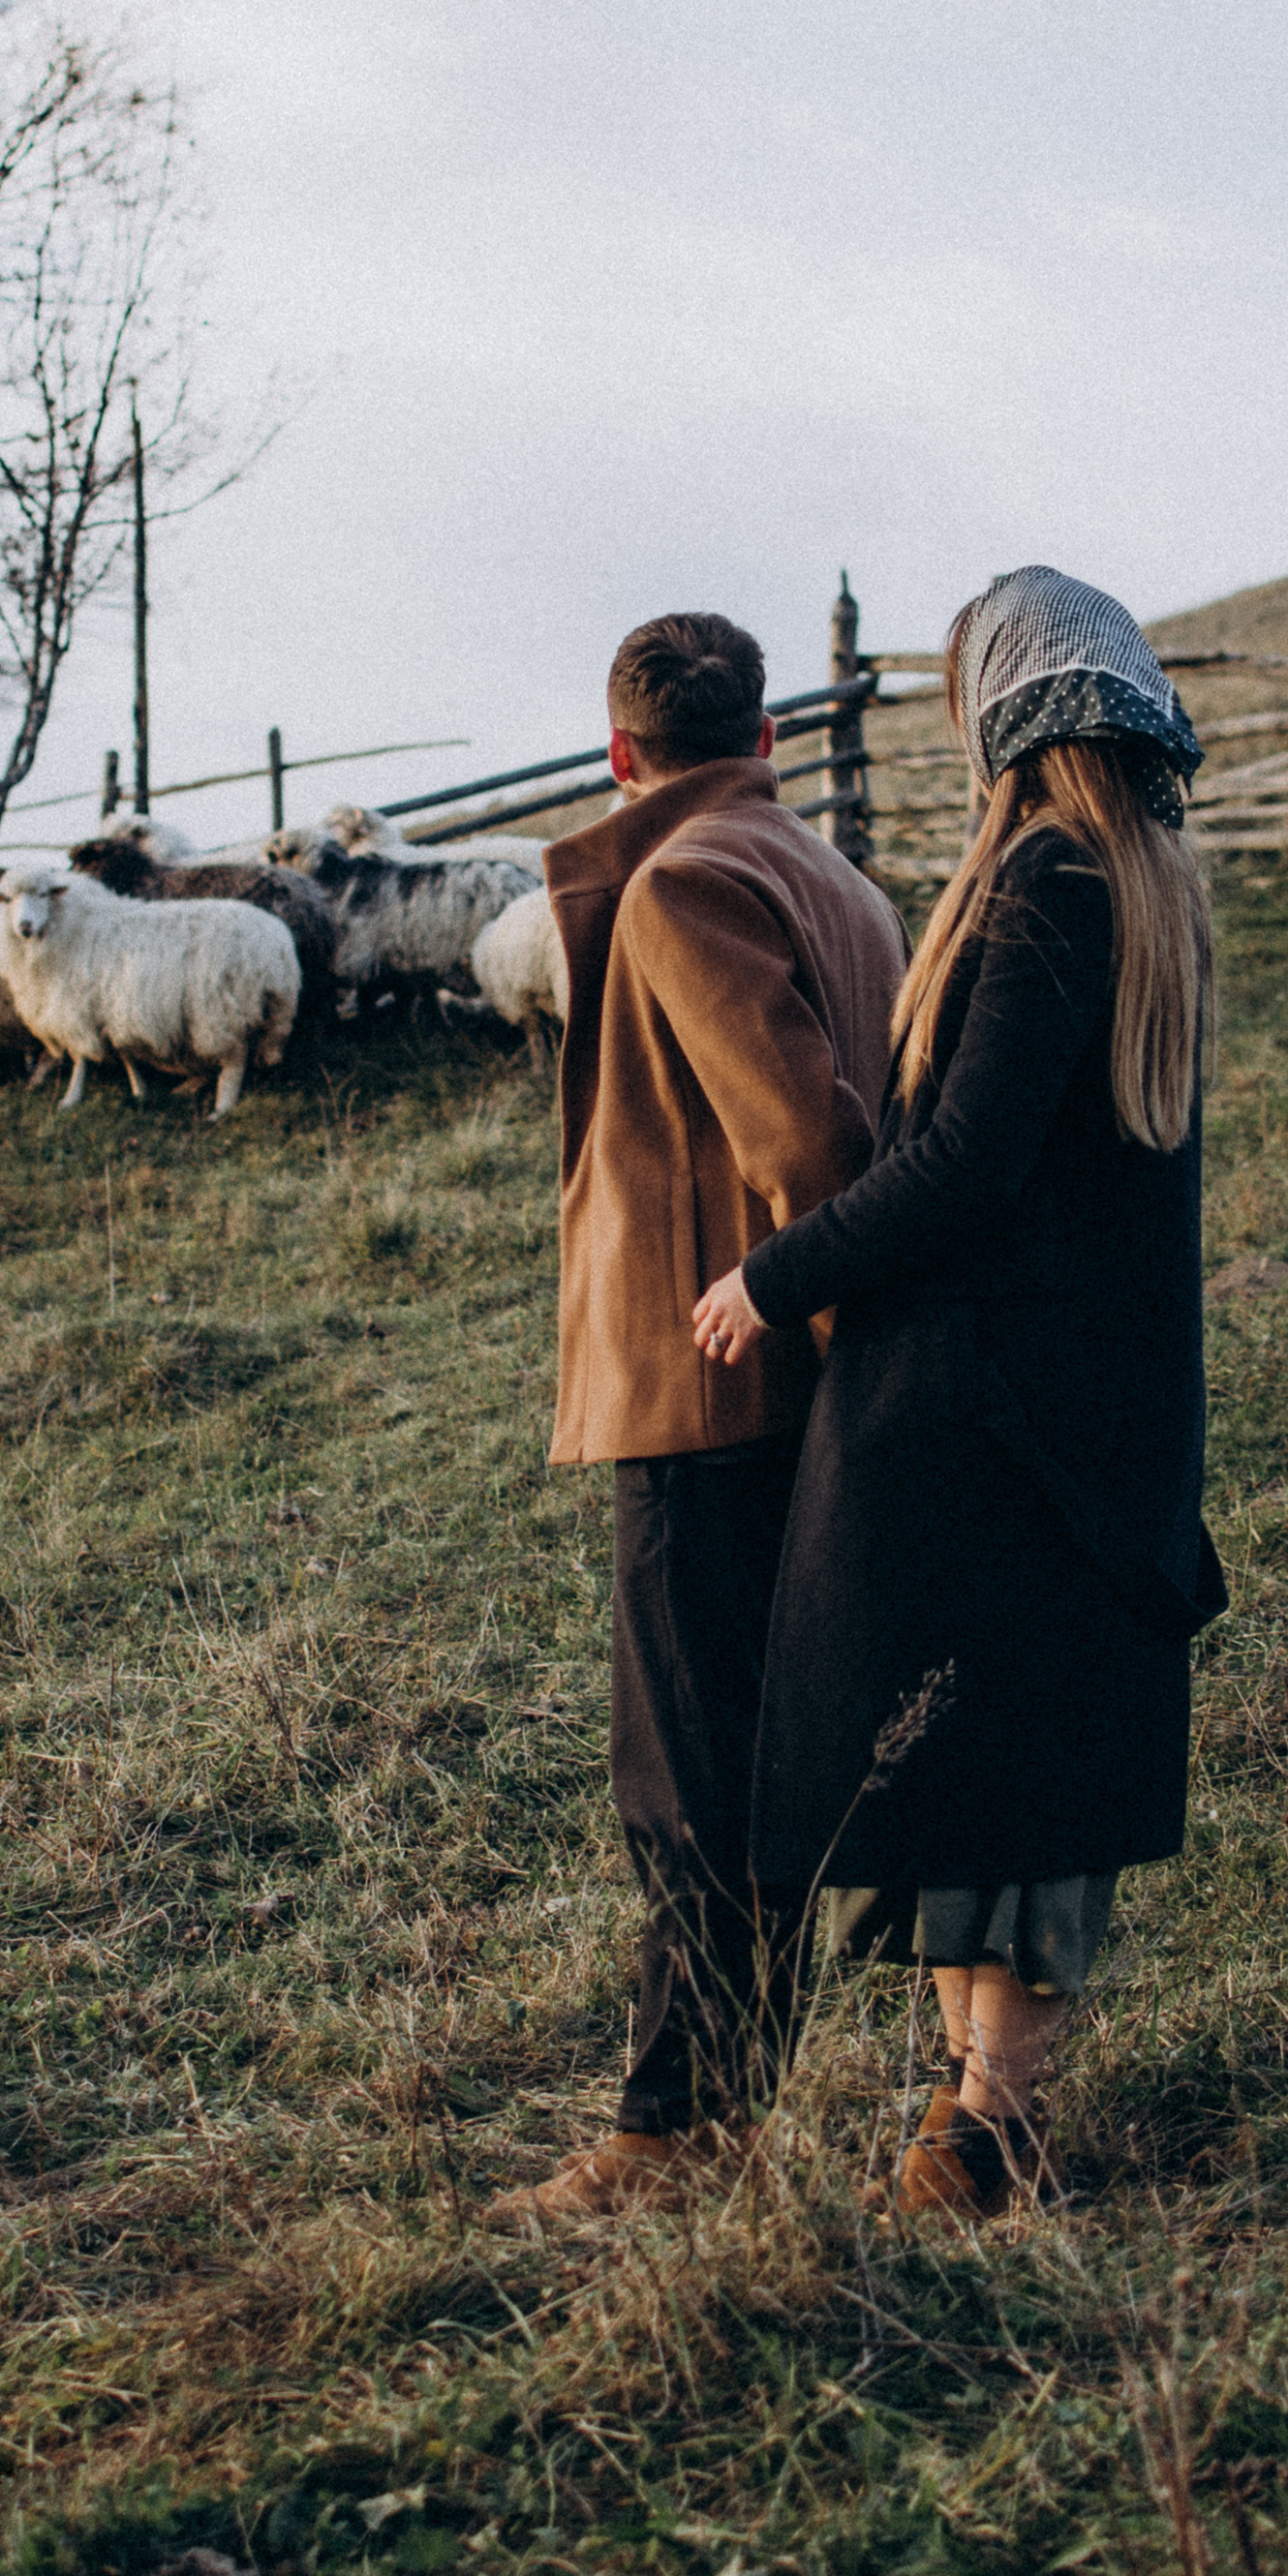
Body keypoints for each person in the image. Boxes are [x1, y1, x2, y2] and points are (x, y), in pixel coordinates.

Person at [692, 568, 1226, 2220]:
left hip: (996, 1402)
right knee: (1015, 1763)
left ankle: (983, 2125)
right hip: (1086, 1397)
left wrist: (772, 1275)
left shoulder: (1052, 882)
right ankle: (976, 2114)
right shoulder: (1146, 882)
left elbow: (969, 1166)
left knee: (986, 1764)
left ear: (997, 712)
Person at [500, 611, 908, 2227]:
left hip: (710, 1383)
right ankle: (720, 2105)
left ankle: (672, 2134)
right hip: (780, 1379)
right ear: (766, 736)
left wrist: (822, 1318)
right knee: (750, 1761)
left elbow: (809, 1144)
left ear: (619, 755)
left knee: (685, 1780)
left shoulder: (679, 887)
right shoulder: (836, 878)